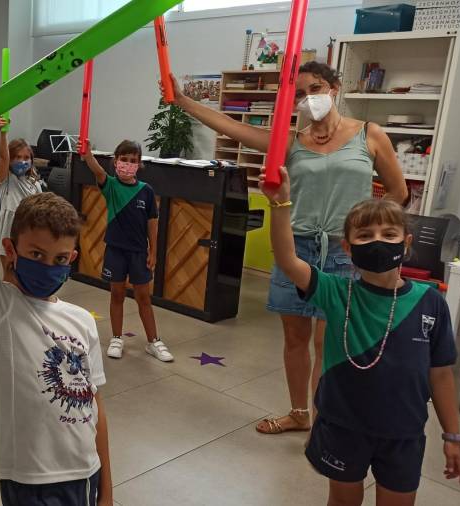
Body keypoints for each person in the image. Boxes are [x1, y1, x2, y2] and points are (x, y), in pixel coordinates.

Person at [166, 62, 408, 434]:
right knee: (295, 339)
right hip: (297, 248)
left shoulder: (369, 135)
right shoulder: (290, 139)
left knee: (329, 340)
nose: (306, 99)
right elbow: (235, 129)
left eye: (314, 89)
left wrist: (371, 233)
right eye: (297, 94)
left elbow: (398, 192)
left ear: (334, 88)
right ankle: (299, 413)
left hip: (344, 253)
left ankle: (326, 417)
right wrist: (182, 101)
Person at [0, 87, 113, 506]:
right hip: (30, 482)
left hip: (85, 473)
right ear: (11, 250)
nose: (48, 264)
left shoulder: (82, 321)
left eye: (59, 258)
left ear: (72, 258)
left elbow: (96, 409)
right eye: (36, 254)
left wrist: (107, 489)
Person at [261, 167, 460, 505]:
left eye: (389, 234)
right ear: (348, 246)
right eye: (365, 235)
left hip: (404, 434)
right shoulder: (335, 291)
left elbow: (441, 374)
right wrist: (281, 204)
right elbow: (287, 259)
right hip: (343, 428)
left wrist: (453, 435)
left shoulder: (430, 303)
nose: (378, 242)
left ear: (406, 241)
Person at [81, 144, 172, 363]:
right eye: (124, 159)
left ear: (139, 164)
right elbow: (98, 171)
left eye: (133, 160)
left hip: (139, 253)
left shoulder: (146, 190)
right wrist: (88, 155)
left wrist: (154, 252)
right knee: (117, 295)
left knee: (143, 297)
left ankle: (154, 341)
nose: (128, 164)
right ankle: (116, 338)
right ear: (115, 161)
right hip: (115, 250)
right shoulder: (110, 186)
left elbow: (152, 223)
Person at [0, 120, 43, 269]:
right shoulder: (6, 180)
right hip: (8, 230)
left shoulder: (35, 184)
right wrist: (3, 134)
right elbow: (3, 157)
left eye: (26, 158)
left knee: (24, 269)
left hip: (27, 229)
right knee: (9, 269)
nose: (22, 161)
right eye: (17, 157)